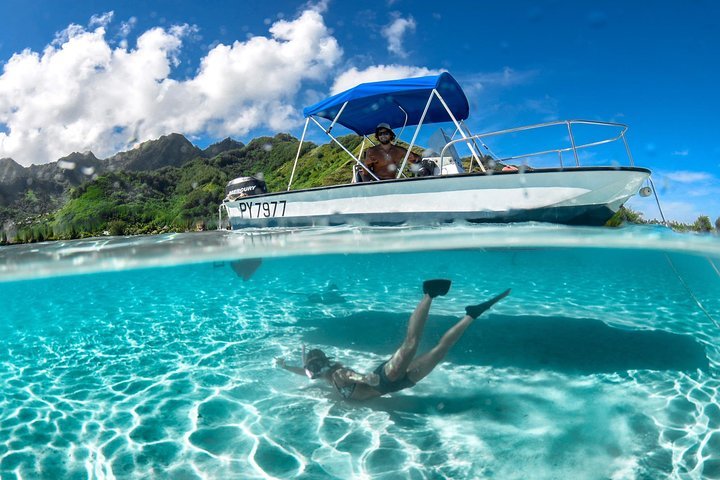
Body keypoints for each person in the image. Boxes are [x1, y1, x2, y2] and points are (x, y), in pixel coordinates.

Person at [276, 279, 511, 400]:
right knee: (440, 351)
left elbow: (349, 374)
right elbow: (304, 371)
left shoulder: (336, 374)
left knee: (411, 343)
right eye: (309, 368)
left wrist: (363, 377)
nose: (311, 372)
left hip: (385, 379)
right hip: (398, 385)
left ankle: (429, 293)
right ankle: (472, 314)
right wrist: (287, 367)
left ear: (325, 363)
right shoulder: (327, 378)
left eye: (314, 366)